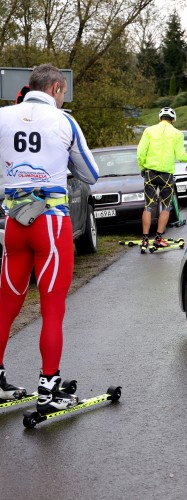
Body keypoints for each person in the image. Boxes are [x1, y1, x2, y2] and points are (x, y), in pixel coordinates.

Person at [0, 64, 99, 414]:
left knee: (6, 305)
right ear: (56, 88)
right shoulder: (64, 121)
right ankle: (49, 388)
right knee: (52, 309)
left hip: (15, 222)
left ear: (29, 87)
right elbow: (91, 173)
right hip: (51, 224)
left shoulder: (4, 116)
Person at [137, 107, 187, 251]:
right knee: (166, 207)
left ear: (160, 117)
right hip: (166, 175)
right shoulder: (177, 134)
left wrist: (143, 167)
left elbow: (141, 152)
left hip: (150, 173)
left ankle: (145, 240)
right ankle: (159, 238)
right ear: (173, 120)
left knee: (148, 206)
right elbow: (181, 156)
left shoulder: (149, 131)